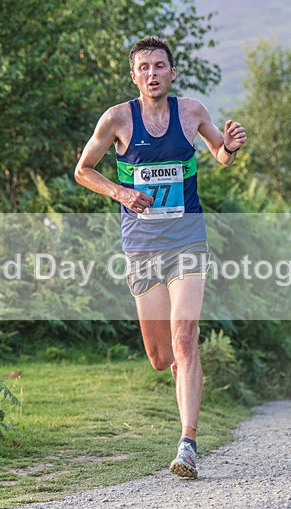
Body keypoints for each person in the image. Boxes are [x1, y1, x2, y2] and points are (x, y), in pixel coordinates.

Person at [74, 36, 247, 479]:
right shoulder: (117, 119)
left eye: (160, 66)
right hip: (142, 246)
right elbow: (83, 170)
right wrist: (120, 191)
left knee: (185, 337)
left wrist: (228, 145)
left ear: (172, 72)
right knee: (160, 356)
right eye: (144, 67)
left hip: (188, 239)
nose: (153, 73)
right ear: (134, 75)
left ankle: (187, 442)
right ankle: (180, 380)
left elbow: (220, 157)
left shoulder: (191, 112)